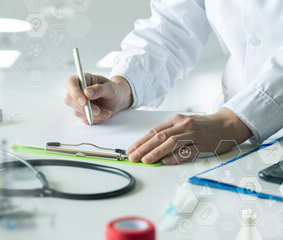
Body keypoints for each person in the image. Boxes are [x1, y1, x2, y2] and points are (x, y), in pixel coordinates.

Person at [64, 0, 283, 165]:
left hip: (232, 132)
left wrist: (233, 121)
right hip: (227, 146)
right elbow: (171, 27)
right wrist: (124, 86)